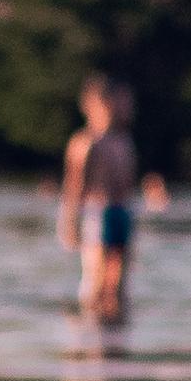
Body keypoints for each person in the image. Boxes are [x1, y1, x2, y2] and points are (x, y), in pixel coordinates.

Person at [58, 75, 144, 323]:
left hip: (122, 211)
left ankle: (115, 328)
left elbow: (129, 185)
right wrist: (70, 221)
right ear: (98, 104)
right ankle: (92, 329)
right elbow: (74, 187)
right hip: (98, 212)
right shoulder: (85, 142)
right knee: (96, 276)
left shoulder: (124, 141)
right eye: (121, 102)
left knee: (119, 280)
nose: (127, 108)